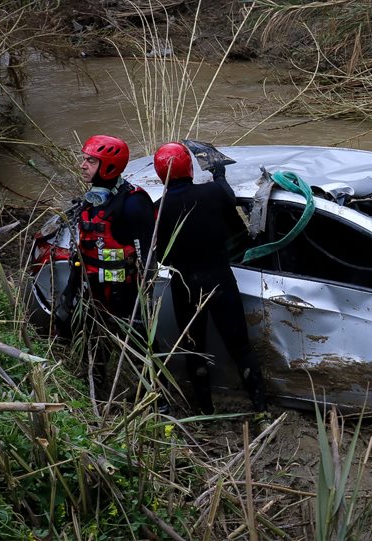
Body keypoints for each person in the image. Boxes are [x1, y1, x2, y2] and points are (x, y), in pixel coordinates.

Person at [152, 141, 269, 422]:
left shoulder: (158, 210)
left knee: (194, 350)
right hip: (220, 280)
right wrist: (219, 174)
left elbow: (160, 258)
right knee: (240, 347)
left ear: (159, 175)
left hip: (186, 287)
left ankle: (205, 413)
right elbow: (235, 222)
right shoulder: (214, 192)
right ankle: (261, 411)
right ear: (191, 168)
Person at [57, 135, 155, 389]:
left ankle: (155, 399)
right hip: (94, 292)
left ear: (109, 166)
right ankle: (96, 391)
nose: (82, 165)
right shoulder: (93, 200)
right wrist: (71, 290)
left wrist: (147, 300)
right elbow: (82, 251)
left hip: (125, 295)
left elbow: (150, 255)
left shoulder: (134, 203)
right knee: (94, 344)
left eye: (90, 161)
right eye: (84, 159)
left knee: (138, 348)